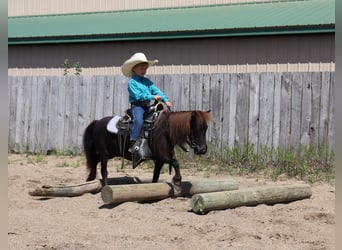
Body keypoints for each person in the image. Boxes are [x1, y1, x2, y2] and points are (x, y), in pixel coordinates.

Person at [121, 52, 172, 152]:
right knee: (138, 120)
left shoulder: (147, 82)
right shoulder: (132, 83)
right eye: (141, 68)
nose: (143, 70)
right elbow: (138, 96)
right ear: (134, 69)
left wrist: (166, 100)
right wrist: (152, 96)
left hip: (148, 106)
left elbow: (156, 90)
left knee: (159, 119)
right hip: (137, 106)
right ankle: (133, 141)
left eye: (145, 68)